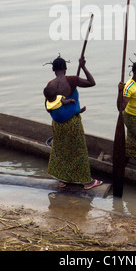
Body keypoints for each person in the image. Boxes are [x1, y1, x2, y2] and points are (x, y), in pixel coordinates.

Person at [44, 55, 103, 190]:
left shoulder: (50, 85)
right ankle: (87, 182)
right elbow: (91, 82)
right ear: (65, 68)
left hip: (58, 124)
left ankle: (64, 179)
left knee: (61, 150)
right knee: (78, 150)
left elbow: (48, 107)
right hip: (72, 123)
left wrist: (63, 112)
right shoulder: (72, 80)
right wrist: (83, 67)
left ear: (53, 69)